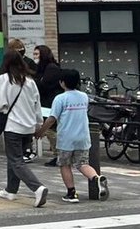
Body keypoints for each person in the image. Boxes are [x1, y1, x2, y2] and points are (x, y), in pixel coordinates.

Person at [35, 68, 109, 203]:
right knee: (82, 164)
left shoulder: (60, 99)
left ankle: (71, 193)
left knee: (65, 164)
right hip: (83, 137)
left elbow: (52, 118)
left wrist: (41, 131)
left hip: (66, 138)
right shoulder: (84, 97)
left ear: (62, 83)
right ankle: (96, 178)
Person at [0, 50, 48, 207]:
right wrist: (38, 124)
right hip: (29, 127)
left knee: (16, 160)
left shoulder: (4, 80)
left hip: (13, 126)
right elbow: (37, 104)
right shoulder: (29, 81)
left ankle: (37, 188)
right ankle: (10, 190)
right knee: (14, 158)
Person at [33, 45, 62, 165]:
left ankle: (59, 154)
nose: (34, 57)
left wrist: (35, 82)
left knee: (50, 129)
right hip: (44, 102)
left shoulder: (51, 68)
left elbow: (45, 85)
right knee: (49, 129)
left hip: (50, 102)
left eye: (37, 54)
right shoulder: (41, 68)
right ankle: (57, 154)